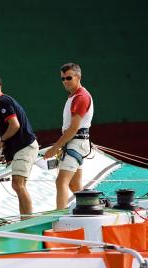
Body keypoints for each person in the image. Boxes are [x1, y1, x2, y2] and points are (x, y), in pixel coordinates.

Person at [0, 73, 39, 219]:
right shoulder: (5, 101)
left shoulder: (3, 103)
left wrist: (2, 139)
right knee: (20, 185)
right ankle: (24, 219)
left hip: (25, 147)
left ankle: (28, 220)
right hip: (25, 147)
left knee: (17, 185)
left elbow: (15, 125)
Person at [44, 63, 94, 209]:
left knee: (61, 182)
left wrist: (55, 148)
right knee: (75, 185)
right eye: (63, 79)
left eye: (69, 78)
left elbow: (73, 128)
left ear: (78, 77)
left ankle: (60, 217)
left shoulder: (80, 97)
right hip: (76, 143)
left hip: (76, 143)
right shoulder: (74, 96)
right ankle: (91, 209)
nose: (65, 81)